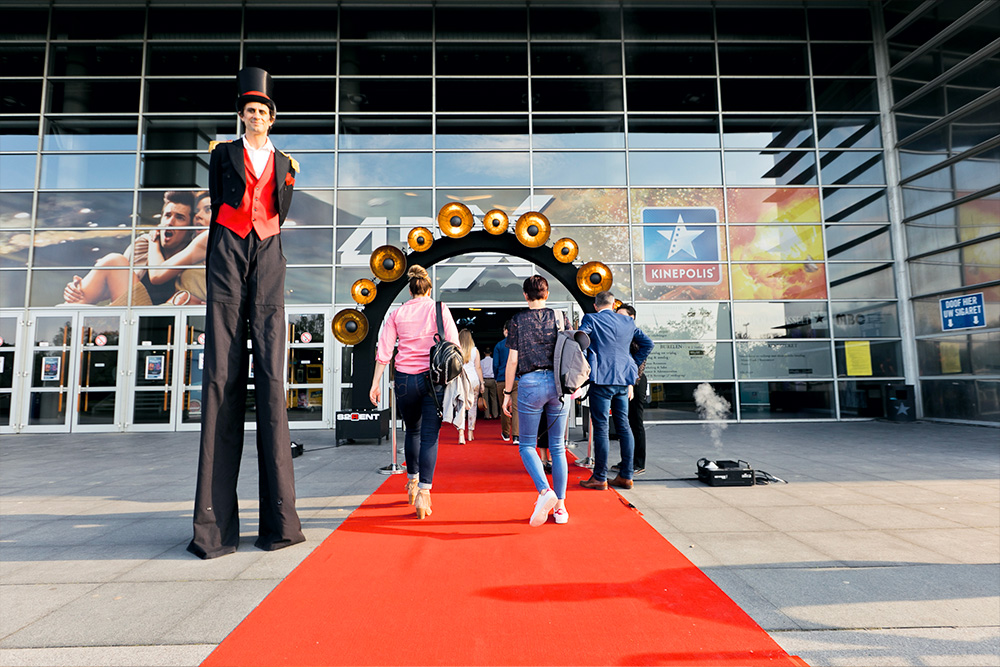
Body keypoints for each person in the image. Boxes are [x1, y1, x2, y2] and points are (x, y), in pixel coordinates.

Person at [188, 67, 304, 559]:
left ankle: (279, 523)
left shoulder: (286, 161)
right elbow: (219, 201)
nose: (255, 117)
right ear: (242, 116)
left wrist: (261, 234)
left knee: (271, 380)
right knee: (223, 374)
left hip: (269, 248)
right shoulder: (222, 154)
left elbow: (280, 206)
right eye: (249, 111)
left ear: (272, 120)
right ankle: (214, 529)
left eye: (262, 112)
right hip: (230, 245)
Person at [370, 265, 459, 519]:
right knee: (430, 436)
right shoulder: (439, 309)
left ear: (410, 290)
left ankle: (411, 482)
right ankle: (423, 493)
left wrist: (375, 383)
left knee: (413, 431)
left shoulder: (397, 314)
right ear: (428, 288)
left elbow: (384, 352)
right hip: (433, 380)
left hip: (404, 380)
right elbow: (452, 343)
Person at [502, 276, 571, 526]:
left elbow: (512, 361)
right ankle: (561, 508)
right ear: (547, 294)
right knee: (558, 447)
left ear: (525, 295)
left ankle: (544, 491)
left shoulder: (517, 321)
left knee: (527, 445)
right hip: (558, 384)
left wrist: (507, 393)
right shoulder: (560, 317)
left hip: (530, 383)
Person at [63, 191, 207, 306]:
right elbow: (114, 284)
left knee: (115, 260)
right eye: (167, 215)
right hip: (133, 316)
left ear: (190, 229)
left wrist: (153, 243)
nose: (170, 222)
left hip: (161, 322)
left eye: (180, 218)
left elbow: (157, 275)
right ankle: (70, 309)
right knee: (115, 262)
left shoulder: (193, 254)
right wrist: (75, 289)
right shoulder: (142, 246)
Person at [578, 291, 653, 491]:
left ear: (596, 305)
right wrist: (632, 364)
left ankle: (600, 477)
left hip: (602, 379)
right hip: (623, 379)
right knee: (624, 425)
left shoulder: (591, 318)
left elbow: (580, 339)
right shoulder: (627, 322)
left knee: (601, 428)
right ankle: (626, 476)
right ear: (613, 304)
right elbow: (648, 344)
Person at [612, 303, 648, 475]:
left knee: (635, 422)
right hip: (623, 381)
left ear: (631, 318)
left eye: (620, 315)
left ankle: (638, 463)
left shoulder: (636, 335)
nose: (616, 318)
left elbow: (640, 363)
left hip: (636, 382)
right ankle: (627, 460)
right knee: (624, 424)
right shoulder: (621, 334)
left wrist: (631, 383)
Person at [457, 329, 484, 443]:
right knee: (472, 408)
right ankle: (470, 432)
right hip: (473, 380)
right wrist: (482, 382)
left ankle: (461, 433)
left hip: (460, 380)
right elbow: (478, 367)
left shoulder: (457, 350)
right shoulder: (475, 351)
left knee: (460, 407)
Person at [493, 321, 518, 444]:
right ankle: (517, 436)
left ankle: (506, 433)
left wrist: (497, 377)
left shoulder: (499, 345)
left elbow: (496, 364)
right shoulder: (519, 344)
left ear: (505, 331)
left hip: (503, 379)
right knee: (516, 408)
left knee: (504, 406)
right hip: (518, 379)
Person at [481, 348, 499, 419]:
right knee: (494, 398)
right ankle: (495, 414)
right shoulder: (493, 361)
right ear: (491, 353)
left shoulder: (481, 361)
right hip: (492, 380)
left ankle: (487, 415)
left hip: (484, 380)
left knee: (485, 398)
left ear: (484, 353)